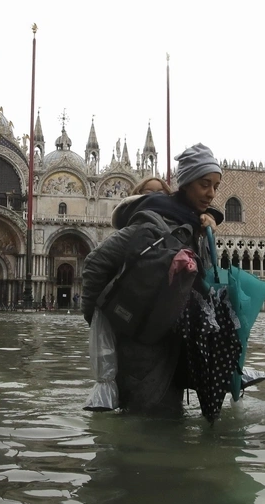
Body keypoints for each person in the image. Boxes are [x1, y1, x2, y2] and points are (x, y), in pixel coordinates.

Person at [82, 143, 224, 416]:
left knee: (167, 424)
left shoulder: (194, 225)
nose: (211, 193)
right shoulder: (150, 224)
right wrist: (100, 321)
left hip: (172, 346)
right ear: (186, 183)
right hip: (140, 350)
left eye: (215, 186)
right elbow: (95, 263)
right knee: (149, 426)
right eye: (205, 184)